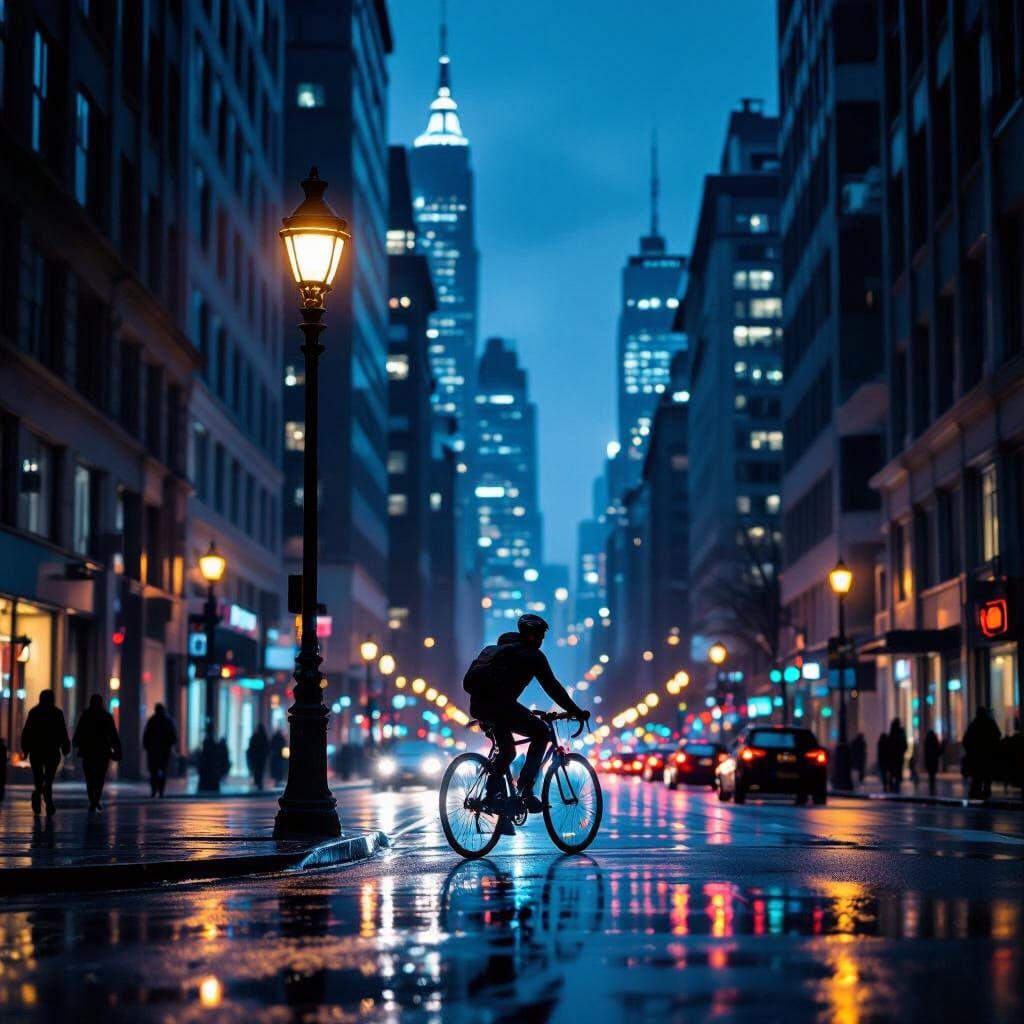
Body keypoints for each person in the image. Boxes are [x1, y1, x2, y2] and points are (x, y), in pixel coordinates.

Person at [463, 614, 589, 836]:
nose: (541, 640)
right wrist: (575, 711)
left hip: (481, 707)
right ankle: (525, 788)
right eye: (540, 636)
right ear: (537, 637)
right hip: (501, 707)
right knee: (541, 732)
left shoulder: (496, 650)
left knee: (507, 751)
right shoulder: (532, 656)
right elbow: (553, 687)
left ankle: (495, 797)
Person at [20, 689, 71, 816]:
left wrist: (25, 749)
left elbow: (27, 732)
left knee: (39, 778)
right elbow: (62, 732)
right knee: (49, 779)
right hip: (52, 751)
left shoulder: (34, 712)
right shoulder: (57, 713)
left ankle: (38, 795)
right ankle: (47, 802)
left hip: (36, 751)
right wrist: (65, 747)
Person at [72, 694, 123, 812]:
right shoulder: (106, 716)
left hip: (88, 751)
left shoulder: (86, 716)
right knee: (100, 777)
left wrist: (75, 743)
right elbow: (113, 734)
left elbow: (79, 731)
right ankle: (96, 800)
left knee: (89, 778)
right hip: (102, 752)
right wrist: (117, 750)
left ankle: (92, 800)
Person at [962, 706, 1001, 800]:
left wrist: (970, 751)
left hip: (977, 756)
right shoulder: (989, 723)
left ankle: (977, 793)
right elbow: (998, 735)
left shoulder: (974, 725)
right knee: (987, 776)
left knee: (978, 776)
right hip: (987, 755)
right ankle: (985, 793)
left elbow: (966, 740)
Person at [142, 703, 178, 797]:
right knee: (162, 771)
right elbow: (173, 736)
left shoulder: (152, 720)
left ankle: (154, 790)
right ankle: (160, 791)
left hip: (153, 750)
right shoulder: (167, 721)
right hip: (163, 750)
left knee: (154, 771)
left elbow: (146, 735)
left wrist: (147, 746)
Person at [887, 718, 908, 794]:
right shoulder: (901, 733)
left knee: (892, 772)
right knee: (898, 772)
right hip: (898, 756)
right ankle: (896, 787)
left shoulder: (892, 732)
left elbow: (888, 745)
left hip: (892, 756)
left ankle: (892, 786)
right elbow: (905, 745)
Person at [247, 724, 270, 790]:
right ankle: (258, 782)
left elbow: (251, 747)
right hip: (261, 757)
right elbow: (267, 747)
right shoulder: (263, 736)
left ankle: (257, 782)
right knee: (260, 770)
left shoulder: (255, 736)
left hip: (256, 757)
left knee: (256, 770)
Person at [923, 728, 944, 797]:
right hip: (934, 760)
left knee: (931, 774)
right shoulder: (934, 741)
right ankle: (932, 786)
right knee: (933, 773)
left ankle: (931, 786)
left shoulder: (927, 741)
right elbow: (939, 751)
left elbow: (925, 752)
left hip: (929, 760)